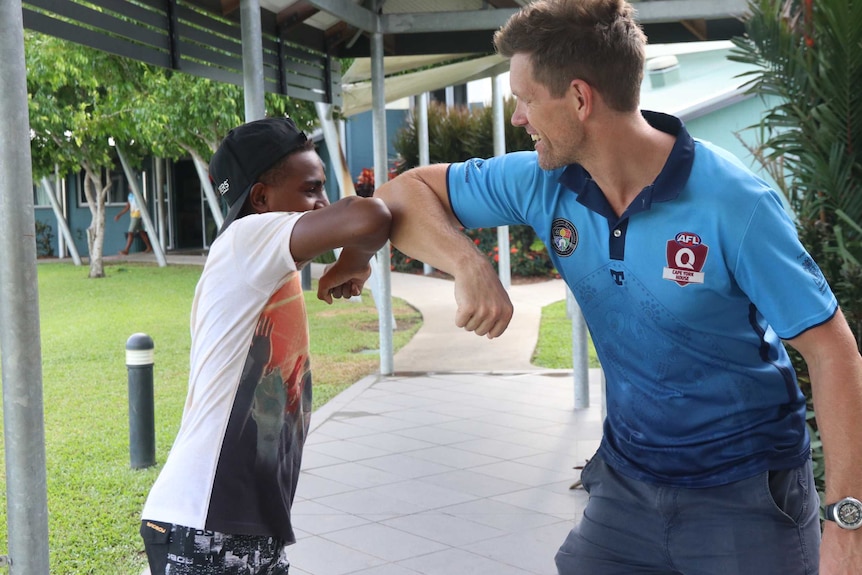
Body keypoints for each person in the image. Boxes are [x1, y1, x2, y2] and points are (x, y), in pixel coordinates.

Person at [373, 1, 862, 573]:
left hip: (746, 494)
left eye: (526, 98)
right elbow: (403, 192)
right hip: (627, 489)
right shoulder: (544, 184)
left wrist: (847, 526)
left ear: (580, 99)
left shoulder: (735, 205)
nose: (517, 117)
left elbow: (834, 353)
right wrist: (469, 265)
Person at [139, 116, 391, 574]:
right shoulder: (247, 238)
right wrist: (353, 259)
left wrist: (354, 256)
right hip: (205, 523)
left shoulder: (262, 261)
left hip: (233, 523)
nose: (324, 203)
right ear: (261, 198)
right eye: (312, 189)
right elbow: (370, 215)